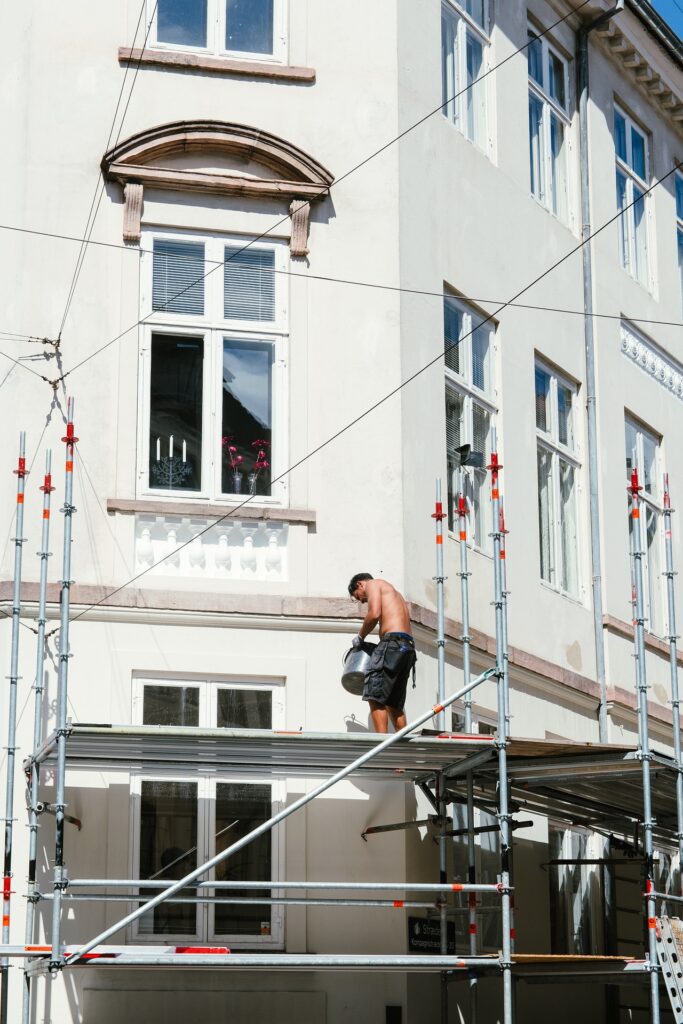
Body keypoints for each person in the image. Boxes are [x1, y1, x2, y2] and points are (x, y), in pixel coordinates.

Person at [347, 573, 417, 734]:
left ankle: (380, 742)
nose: (363, 601)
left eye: (359, 598)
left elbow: (374, 613)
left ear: (360, 584)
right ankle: (402, 745)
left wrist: (360, 636)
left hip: (392, 643)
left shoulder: (373, 584)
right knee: (393, 703)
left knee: (374, 691)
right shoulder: (394, 594)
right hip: (407, 648)